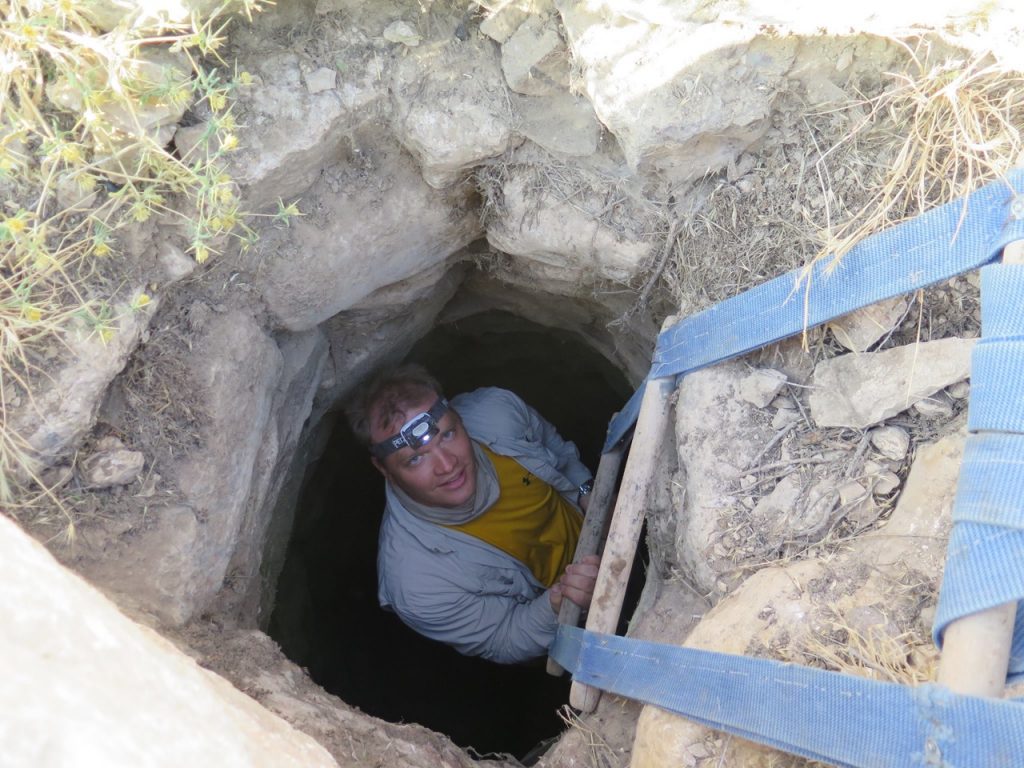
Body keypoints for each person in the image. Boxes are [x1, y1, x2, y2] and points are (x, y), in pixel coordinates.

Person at [346, 364, 600, 664]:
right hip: (578, 629)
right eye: (415, 460)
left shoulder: (497, 413)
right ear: (383, 469)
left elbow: (555, 446)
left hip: (600, 534)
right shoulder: (416, 581)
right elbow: (503, 638)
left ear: (458, 417)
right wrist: (560, 603)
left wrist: (586, 493)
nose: (447, 465)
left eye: (448, 434)